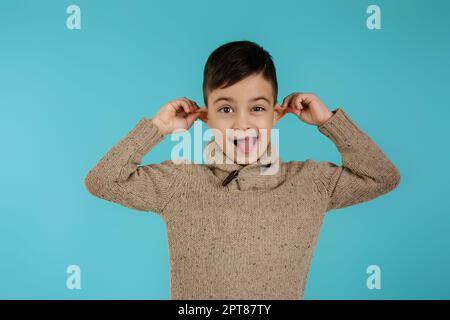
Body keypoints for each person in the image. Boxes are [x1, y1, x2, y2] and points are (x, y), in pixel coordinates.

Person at [84, 40, 401, 299]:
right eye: (225, 109)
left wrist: (329, 122)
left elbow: (382, 177)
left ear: (277, 115)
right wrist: (157, 128)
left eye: (258, 108)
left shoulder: (311, 183)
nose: (242, 123)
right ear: (205, 117)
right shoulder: (178, 182)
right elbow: (102, 181)